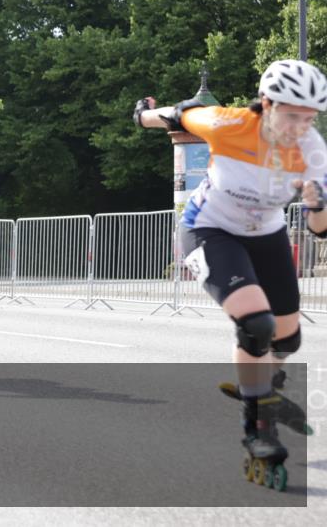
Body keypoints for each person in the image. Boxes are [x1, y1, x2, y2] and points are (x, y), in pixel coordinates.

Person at [134, 59, 324, 478]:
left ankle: (258, 385)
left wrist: (317, 204)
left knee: (288, 340)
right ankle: (258, 424)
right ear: (266, 103)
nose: (299, 127)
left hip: (267, 233)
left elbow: (319, 229)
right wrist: (142, 112)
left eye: (309, 119)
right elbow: (175, 114)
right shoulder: (226, 124)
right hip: (210, 229)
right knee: (257, 325)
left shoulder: (311, 149)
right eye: (292, 116)